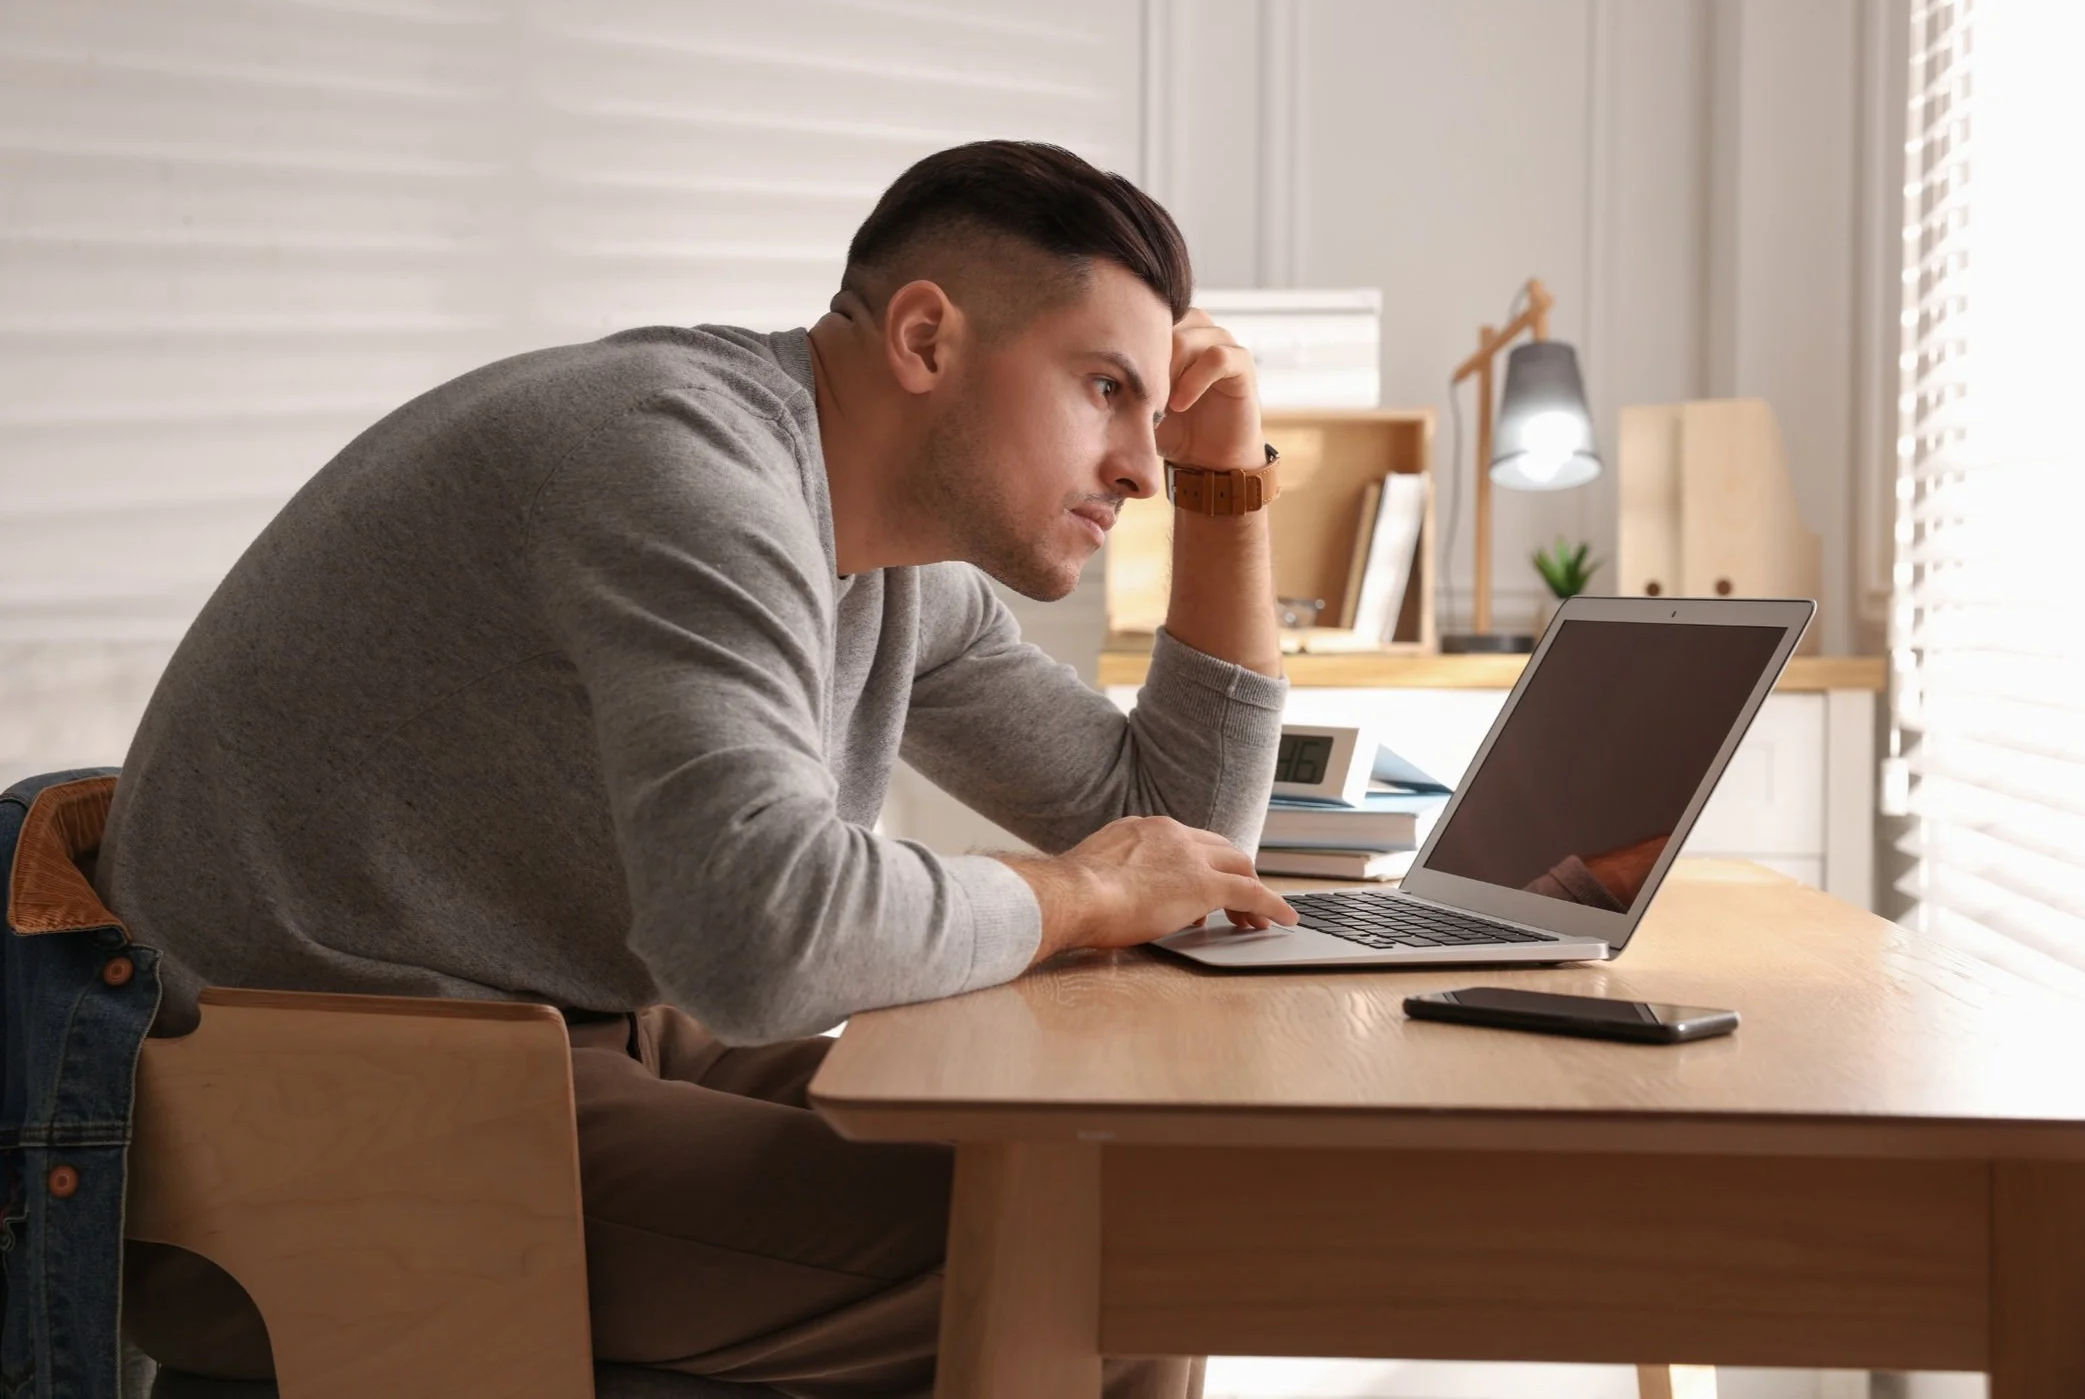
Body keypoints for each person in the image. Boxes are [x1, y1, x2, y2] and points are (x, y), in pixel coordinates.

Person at [99, 140, 1298, 1398]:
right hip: (315, 1114)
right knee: (1105, 1262)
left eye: (1153, 418)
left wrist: (1231, 486)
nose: (1140, 466)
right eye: (1107, 387)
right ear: (929, 340)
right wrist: (1073, 896)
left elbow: (1183, 845)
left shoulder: (886, 560)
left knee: (1122, 1190)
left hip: (554, 1037)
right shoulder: (683, 470)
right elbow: (761, 930)